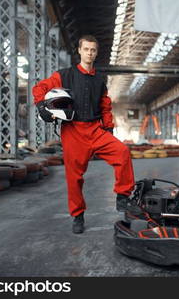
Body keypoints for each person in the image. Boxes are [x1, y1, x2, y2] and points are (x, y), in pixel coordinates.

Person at [32, 35, 135, 234]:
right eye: (86, 49)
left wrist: (109, 128)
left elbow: (105, 105)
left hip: (95, 129)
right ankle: (78, 215)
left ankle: (123, 196)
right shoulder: (64, 74)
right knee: (75, 177)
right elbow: (40, 88)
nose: (89, 53)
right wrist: (41, 106)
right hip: (73, 132)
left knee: (121, 151)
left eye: (93, 50)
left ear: (96, 53)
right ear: (79, 51)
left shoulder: (99, 80)